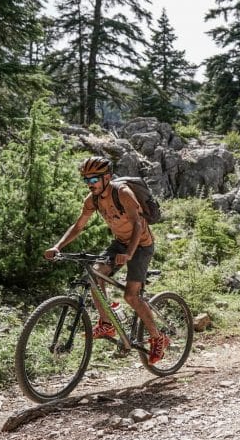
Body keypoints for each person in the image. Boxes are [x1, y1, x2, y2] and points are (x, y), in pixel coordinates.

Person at [44, 156, 169, 364]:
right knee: (95, 274)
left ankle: (158, 338)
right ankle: (107, 322)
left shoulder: (123, 193)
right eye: (86, 180)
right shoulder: (92, 199)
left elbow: (138, 224)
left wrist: (129, 253)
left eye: (93, 180)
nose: (89, 184)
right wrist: (58, 246)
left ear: (107, 178)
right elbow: (78, 226)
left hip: (141, 245)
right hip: (120, 242)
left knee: (131, 296)